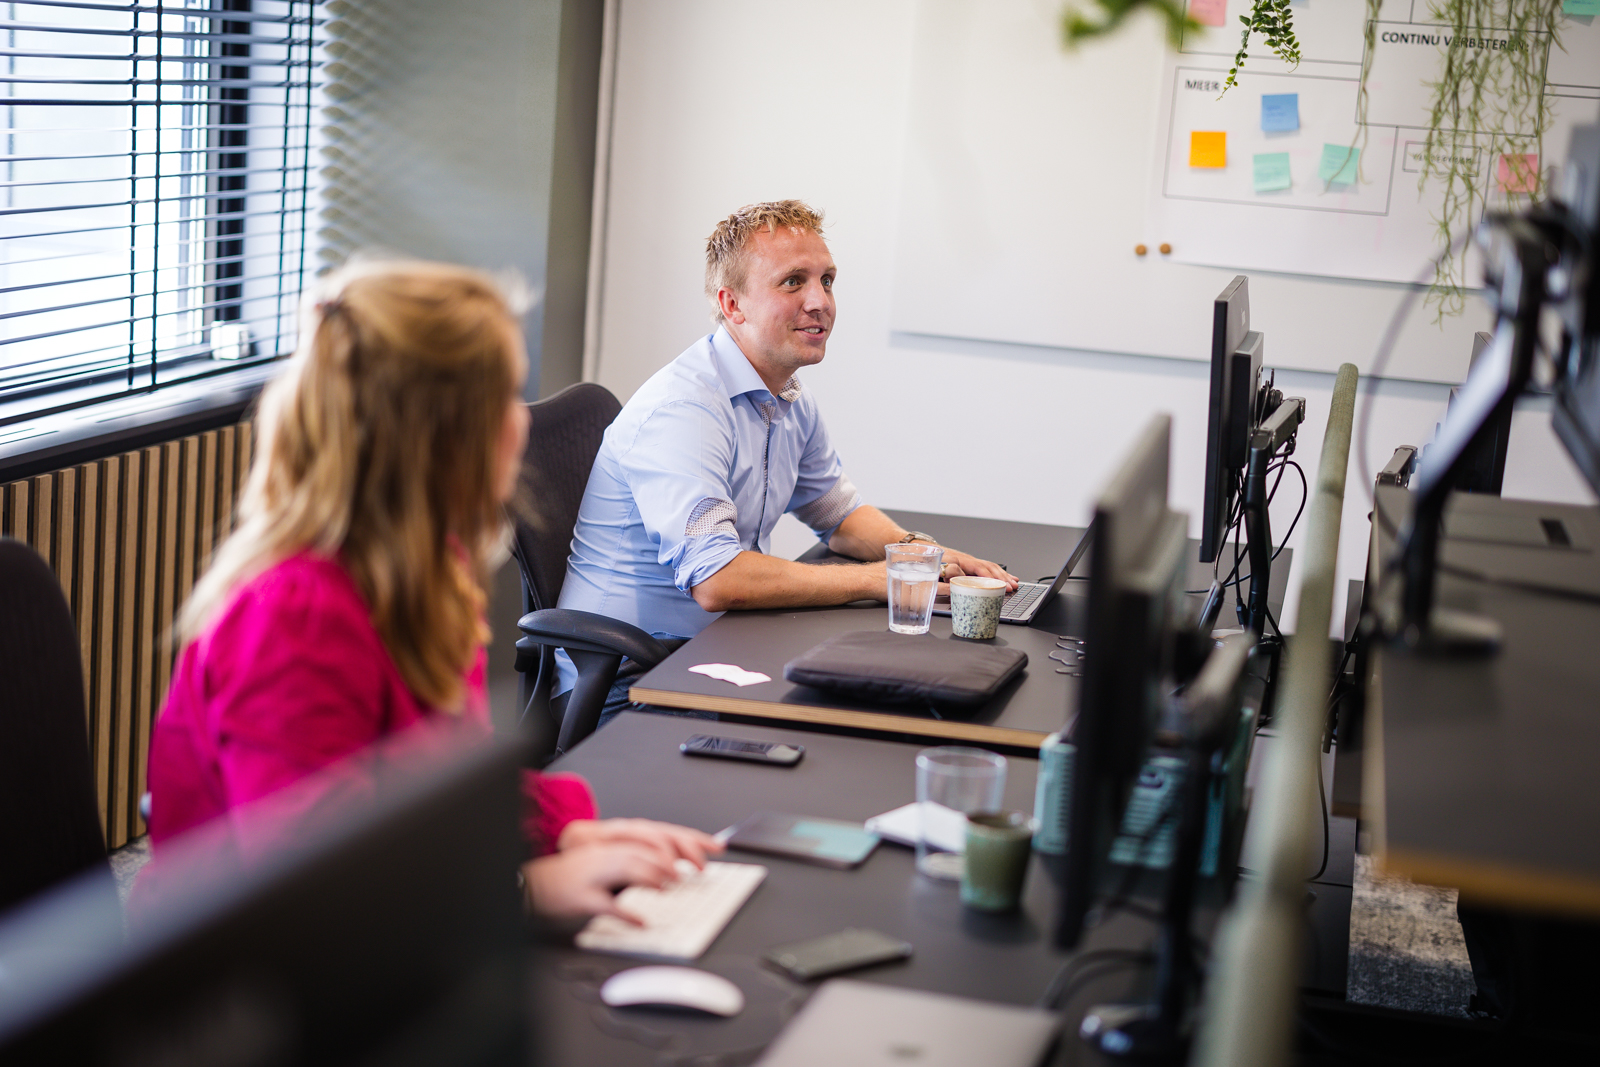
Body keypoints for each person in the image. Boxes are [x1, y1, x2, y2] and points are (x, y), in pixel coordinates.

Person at [140, 259, 720, 923]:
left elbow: (436, 784)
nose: (520, 423)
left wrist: (566, 829)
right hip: (244, 979)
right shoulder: (293, 617)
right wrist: (525, 891)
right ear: (437, 430)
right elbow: (315, 887)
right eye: (503, 395)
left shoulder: (426, 570)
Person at [557, 200, 1016, 719]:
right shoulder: (684, 410)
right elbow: (719, 579)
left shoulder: (787, 395)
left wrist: (923, 557)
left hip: (718, 646)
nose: (820, 301)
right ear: (733, 305)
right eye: (793, 282)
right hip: (625, 675)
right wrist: (881, 579)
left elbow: (836, 514)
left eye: (828, 279)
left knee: (886, 700)